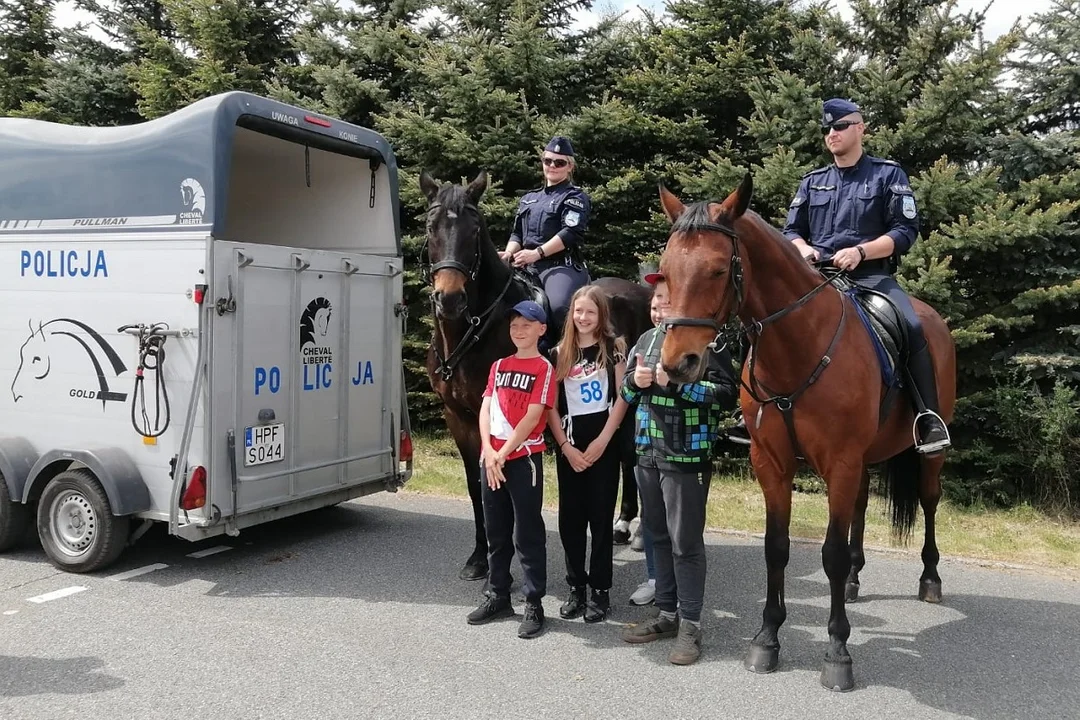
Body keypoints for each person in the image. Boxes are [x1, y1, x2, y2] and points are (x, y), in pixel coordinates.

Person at [782, 97, 951, 455]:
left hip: (870, 277)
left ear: (860, 128)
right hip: (817, 277)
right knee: (769, 319)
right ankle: (758, 412)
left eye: (840, 126)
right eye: (827, 128)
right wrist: (803, 249)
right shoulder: (813, 181)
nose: (832, 133)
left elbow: (905, 231)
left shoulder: (888, 175)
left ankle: (928, 417)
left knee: (912, 324)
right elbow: (790, 231)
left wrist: (860, 251)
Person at [619, 272, 739, 665]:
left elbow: (725, 394)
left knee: (685, 543)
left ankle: (690, 625)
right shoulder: (645, 341)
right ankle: (666, 615)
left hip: (687, 457)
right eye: (655, 302)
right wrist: (635, 383)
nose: (658, 308)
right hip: (646, 453)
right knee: (656, 536)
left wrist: (675, 384)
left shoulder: (707, 341)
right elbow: (624, 392)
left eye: (666, 302)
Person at [467, 300, 556, 639]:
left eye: (527, 325)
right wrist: (488, 451)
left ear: (541, 329)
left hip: (522, 460)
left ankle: (534, 602)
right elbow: (486, 407)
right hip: (492, 461)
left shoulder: (543, 368)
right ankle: (498, 594)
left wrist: (503, 453)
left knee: (527, 532)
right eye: (514, 325)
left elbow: (535, 415)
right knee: (496, 530)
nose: (519, 331)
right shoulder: (500, 365)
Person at [546, 286, 629, 623]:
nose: (583, 317)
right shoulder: (558, 352)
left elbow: (623, 397)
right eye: (578, 311)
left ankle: (600, 590)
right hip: (570, 443)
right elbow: (549, 405)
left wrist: (603, 440)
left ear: (601, 316)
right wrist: (566, 447)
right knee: (570, 521)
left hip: (604, 443)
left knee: (600, 520)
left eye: (590, 312)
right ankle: (576, 587)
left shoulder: (614, 349)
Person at [499, 136, 592, 347]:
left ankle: (569, 357)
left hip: (559, 266)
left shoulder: (574, 197)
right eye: (547, 160)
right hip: (525, 265)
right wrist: (508, 254)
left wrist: (537, 253)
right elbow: (517, 235)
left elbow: (570, 232)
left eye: (559, 163)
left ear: (570, 167)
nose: (552, 166)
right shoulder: (529, 199)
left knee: (559, 308)